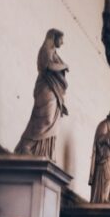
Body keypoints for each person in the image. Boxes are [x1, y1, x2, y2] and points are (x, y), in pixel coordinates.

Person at [15, 28, 69, 160]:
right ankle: (27, 146)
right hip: (46, 88)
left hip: (55, 92)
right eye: (61, 39)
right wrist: (64, 65)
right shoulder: (46, 50)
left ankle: (43, 152)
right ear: (54, 37)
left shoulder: (55, 53)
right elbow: (48, 66)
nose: (62, 43)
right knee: (45, 118)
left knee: (52, 122)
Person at [88, 109, 110, 204]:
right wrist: (108, 136)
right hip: (104, 155)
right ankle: (102, 198)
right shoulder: (103, 124)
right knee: (109, 177)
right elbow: (99, 140)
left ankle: (106, 198)